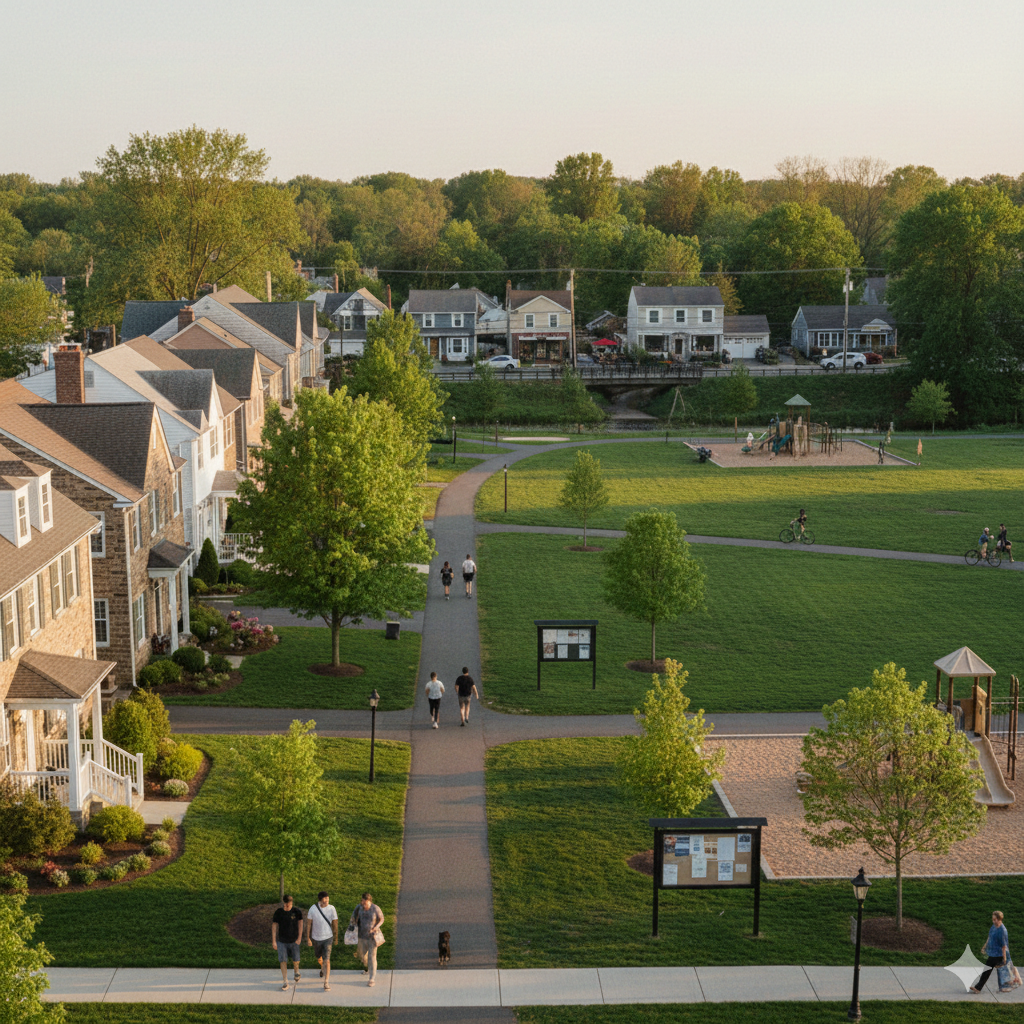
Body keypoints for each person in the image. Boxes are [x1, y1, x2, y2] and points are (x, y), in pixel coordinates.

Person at [349, 892, 385, 988]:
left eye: (365, 902)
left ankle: (372, 978)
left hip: (372, 937)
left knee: (372, 957)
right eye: (362, 901)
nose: (363, 904)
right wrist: (352, 924)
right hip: (361, 936)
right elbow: (353, 916)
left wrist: (376, 927)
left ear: (369, 901)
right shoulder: (359, 907)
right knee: (361, 956)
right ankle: (368, 968)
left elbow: (381, 919)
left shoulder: (375, 908)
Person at [306, 890, 339, 991]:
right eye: (324, 898)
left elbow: (335, 923)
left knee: (327, 960)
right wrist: (307, 938)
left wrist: (336, 937)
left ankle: (326, 982)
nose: (327, 900)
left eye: (327, 898)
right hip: (316, 938)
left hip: (328, 938)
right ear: (320, 900)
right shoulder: (313, 909)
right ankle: (322, 968)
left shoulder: (332, 908)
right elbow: (308, 924)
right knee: (319, 957)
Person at [971, 910, 1010, 993]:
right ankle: (978, 988)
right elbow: (989, 937)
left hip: (998, 954)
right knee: (988, 970)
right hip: (993, 952)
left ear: (1000, 919)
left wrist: (1004, 958)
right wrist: (984, 946)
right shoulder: (994, 926)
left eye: (995, 919)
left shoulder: (1002, 930)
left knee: (987, 970)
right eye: (993, 919)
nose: (993, 921)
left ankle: (978, 988)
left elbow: (1004, 945)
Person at [271, 894, 304, 989]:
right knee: (283, 960)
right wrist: (274, 941)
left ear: (291, 903)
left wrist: (299, 938)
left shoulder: (296, 912)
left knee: (296, 960)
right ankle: (285, 981)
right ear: (283, 903)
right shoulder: (278, 913)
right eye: (285, 905)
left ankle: (296, 972)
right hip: (282, 941)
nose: (287, 906)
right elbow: (274, 927)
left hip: (294, 941)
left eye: (288, 904)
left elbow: (301, 924)